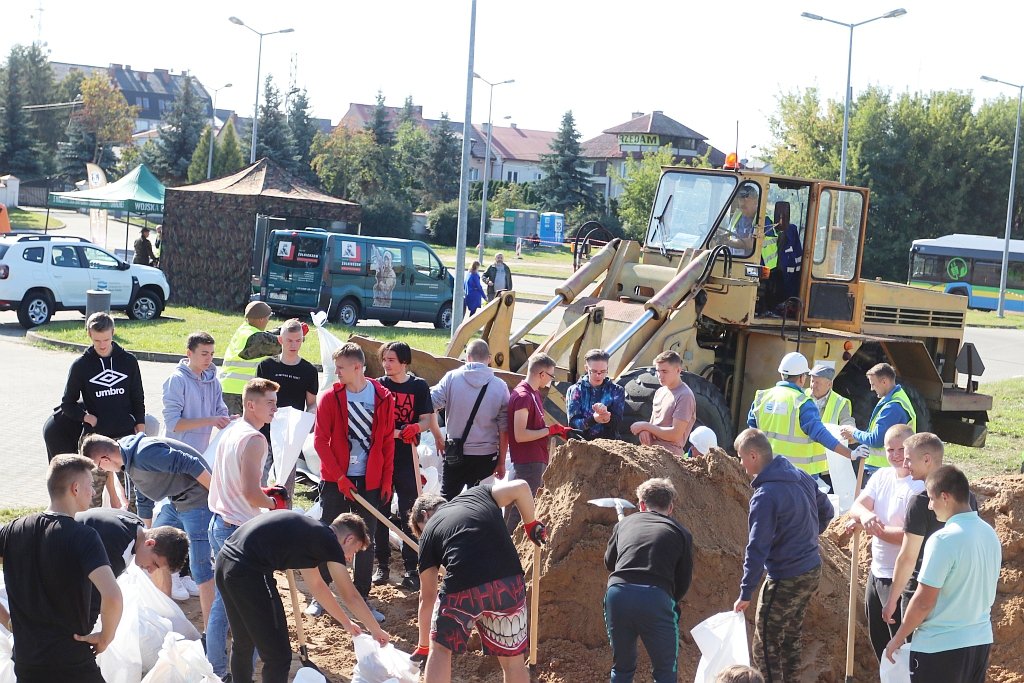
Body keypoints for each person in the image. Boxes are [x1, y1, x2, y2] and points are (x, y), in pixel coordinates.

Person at [216, 510, 389, 683]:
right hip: (249, 572)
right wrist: (375, 630)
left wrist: (346, 622)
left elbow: (317, 586)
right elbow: (350, 595)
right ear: (348, 539)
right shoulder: (329, 543)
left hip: (224, 562)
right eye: (354, 551)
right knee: (278, 657)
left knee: (243, 643)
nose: (349, 558)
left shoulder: (311, 533)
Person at [409, 479, 549, 683]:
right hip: (508, 581)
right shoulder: (476, 494)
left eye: (420, 530)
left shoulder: (429, 533)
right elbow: (521, 487)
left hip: (463, 586)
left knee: (440, 650)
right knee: (513, 662)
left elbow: (427, 597)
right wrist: (530, 524)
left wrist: (424, 645)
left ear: (425, 515)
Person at [0, 455, 122, 683]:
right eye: (90, 486)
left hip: (27, 661)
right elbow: (113, 596)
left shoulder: (12, 530)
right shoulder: (84, 536)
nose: (94, 493)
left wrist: (8, 621)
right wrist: (105, 637)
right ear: (75, 489)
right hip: (71, 662)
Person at [81, 432, 217, 627]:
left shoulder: (144, 453)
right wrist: (144, 531)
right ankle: (165, 619)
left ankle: (212, 633)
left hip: (197, 500)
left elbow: (191, 463)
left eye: (100, 467)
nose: (104, 470)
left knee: (200, 567)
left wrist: (216, 495)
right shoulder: (127, 460)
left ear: (105, 458)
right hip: (175, 501)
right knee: (155, 550)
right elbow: (144, 498)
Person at [732, 428, 833, 683]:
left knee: (764, 645)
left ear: (753, 455)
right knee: (790, 636)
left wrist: (746, 592)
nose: (740, 463)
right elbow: (827, 509)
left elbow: (757, 548)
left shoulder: (765, 496)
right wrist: (809, 534)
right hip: (811, 568)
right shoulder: (799, 475)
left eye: (741, 457)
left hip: (787, 575)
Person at [884, 466, 1000, 682]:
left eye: (931, 499)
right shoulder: (989, 533)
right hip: (979, 642)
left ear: (945, 497)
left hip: (940, 648)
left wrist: (898, 638)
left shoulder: (943, 540)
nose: (929, 506)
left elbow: (923, 602)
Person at [206, 377, 287, 679]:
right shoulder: (255, 439)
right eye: (270, 403)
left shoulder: (232, 430)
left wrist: (264, 492)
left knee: (223, 603)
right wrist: (274, 504)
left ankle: (215, 668)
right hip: (240, 534)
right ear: (251, 404)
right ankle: (238, 673)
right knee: (251, 613)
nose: (274, 410)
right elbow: (251, 494)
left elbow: (239, 483)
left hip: (220, 523)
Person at [310, 343, 395, 621]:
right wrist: (339, 477)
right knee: (326, 535)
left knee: (364, 539)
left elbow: (386, 444)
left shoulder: (383, 398)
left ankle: (361, 597)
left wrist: (385, 480)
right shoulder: (330, 398)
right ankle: (320, 595)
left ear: (357, 367)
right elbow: (321, 441)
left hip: (369, 479)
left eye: (341, 368)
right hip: (336, 479)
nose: (337, 373)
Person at [881, 433, 979, 632]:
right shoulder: (967, 497)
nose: (905, 464)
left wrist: (892, 600)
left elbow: (908, 557)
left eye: (909, 459)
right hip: (957, 593)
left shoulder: (921, 502)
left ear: (926, 459)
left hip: (920, 592)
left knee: (914, 657)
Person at [48, 311, 146, 508]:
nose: (102, 345)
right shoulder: (81, 366)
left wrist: (140, 427)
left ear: (113, 333)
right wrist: (87, 417)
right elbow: (68, 403)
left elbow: (137, 396)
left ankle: (134, 534)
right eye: (97, 340)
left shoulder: (128, 361)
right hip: (94, 441)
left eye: (107, 339)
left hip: (125, 439)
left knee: (135, 496)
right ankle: (90, 534)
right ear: (89, 335)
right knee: (90, 497)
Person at [846, 424, 924, 660]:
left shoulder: (918, 486)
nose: (896, 456)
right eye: (891, 450)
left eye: (902, 449)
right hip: (877, 573)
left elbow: (908, 535)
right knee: (880, 644)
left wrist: (872, 528)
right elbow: (856, 507)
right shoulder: (881, 476)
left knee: (901, 649)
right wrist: (866, 517)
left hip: (903, 578)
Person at [604, 478, 693, 683]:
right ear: (670, 507)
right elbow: (683, 579)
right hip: (656, 596)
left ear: (642, 505)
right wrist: (669, 600)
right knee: (665, 672)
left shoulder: (625, 523)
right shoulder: (681, 532)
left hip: (618, 594)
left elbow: (610, 562)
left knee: (622, 668)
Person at [373, 340, 443, 590]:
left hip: (407, 454)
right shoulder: (379, 386)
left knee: (409, 511)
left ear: (404, 362)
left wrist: (417, 427)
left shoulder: (418, 386)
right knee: (380, 509)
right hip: (383, 454)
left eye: (391, 359)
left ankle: (412, 567)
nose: (386, 364)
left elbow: (425, 418)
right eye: (384, 359)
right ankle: (381, 564)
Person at [749, 352, 863, 480]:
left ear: (782, 374)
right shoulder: (802, 402)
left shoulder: (761, 397)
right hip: (797, 476)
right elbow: (820, 434)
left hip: (766, 469)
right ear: (802, 378)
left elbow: (751, 433)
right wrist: (851, 454)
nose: (813, 385)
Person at [75, 507, 189, 627]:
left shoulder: (137, 525)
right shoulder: (119, 549)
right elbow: (96, 596)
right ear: (150, 543)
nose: (151, 570)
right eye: (155, 564)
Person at [430, 339, 510, 500]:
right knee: (480, 504)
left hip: (454, 452)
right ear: (489, 358)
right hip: (486, 456)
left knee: (446, 502)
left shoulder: (451, 378)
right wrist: (501, 461)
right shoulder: (500, 386)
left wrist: (438, 436)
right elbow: (504, 428)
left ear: (467, 357)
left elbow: (429, 404)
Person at [505, 353, 571, 533]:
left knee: (524, 508)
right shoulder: (524, 396)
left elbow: (532, 427)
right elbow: (520, 434)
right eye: (551, 375)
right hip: (528, 462)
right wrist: (550, 431)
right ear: (542, 374)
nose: (551, 380)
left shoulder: (532, 393)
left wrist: (552, 430)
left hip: (534, 459)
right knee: (521, 511)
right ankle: (510, 547)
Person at [256, 318, 317, 498]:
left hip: (290, 435)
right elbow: (257, 397)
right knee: (259, 477)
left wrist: (310, 416)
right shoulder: (266, 366)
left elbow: (312, 402)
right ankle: (256, 512)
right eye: (290, 340)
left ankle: (284, 514)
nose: (294, 345)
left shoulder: (309, 371)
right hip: (265, 431)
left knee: (286, 484)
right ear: (281, 340)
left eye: (298, 340)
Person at [162, 330, 234, 453]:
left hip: (200, 454)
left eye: (212, 354)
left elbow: (221, 412)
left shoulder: (214, 382)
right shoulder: (177, 380)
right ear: (189, 353)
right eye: (204, 354)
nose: (209, 358)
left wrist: (228, 420)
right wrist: (211, 420)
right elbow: (173, 424)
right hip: (174, 454)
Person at [839, 363, 917, 475]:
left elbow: (876, 440)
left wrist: (853, 432)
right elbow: (876, 433)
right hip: (889, 466)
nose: (871, 388)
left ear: (884, 381)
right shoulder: (895, 398)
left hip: (884, 468)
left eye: (873, 384)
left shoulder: (892, 407)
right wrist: (856, 438)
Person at [218, 300, 283, 416]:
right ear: (262, 319)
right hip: (238, 392)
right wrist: (297, 334)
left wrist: (282, 329)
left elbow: (265, 336)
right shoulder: (255, 337)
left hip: (229, 388)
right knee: (241, 429)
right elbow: (279, 345)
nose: (268, 320)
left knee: (232, 429)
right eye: (268, 317)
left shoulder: (245, 330)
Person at [629, 351, 696, 457]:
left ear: (678, 370)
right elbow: (653, 425)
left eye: (664, 371)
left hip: (669, 457)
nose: (660, 375)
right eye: (658, 371)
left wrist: (644, 426)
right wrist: (645, 431)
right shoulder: (660, 391)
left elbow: (675, 434)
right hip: (650, 451)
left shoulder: (685, 396)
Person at [565, 348, 626, 440]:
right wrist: (593, 419)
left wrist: (606, 416)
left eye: (603, 371)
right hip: (581, 445)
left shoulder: (617, 390)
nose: (598, 376)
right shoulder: (575, 390)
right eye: (594, 371)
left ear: (607, 369)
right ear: (586, 368)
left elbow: (618, 423)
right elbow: (573, 424)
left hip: (608, 445)